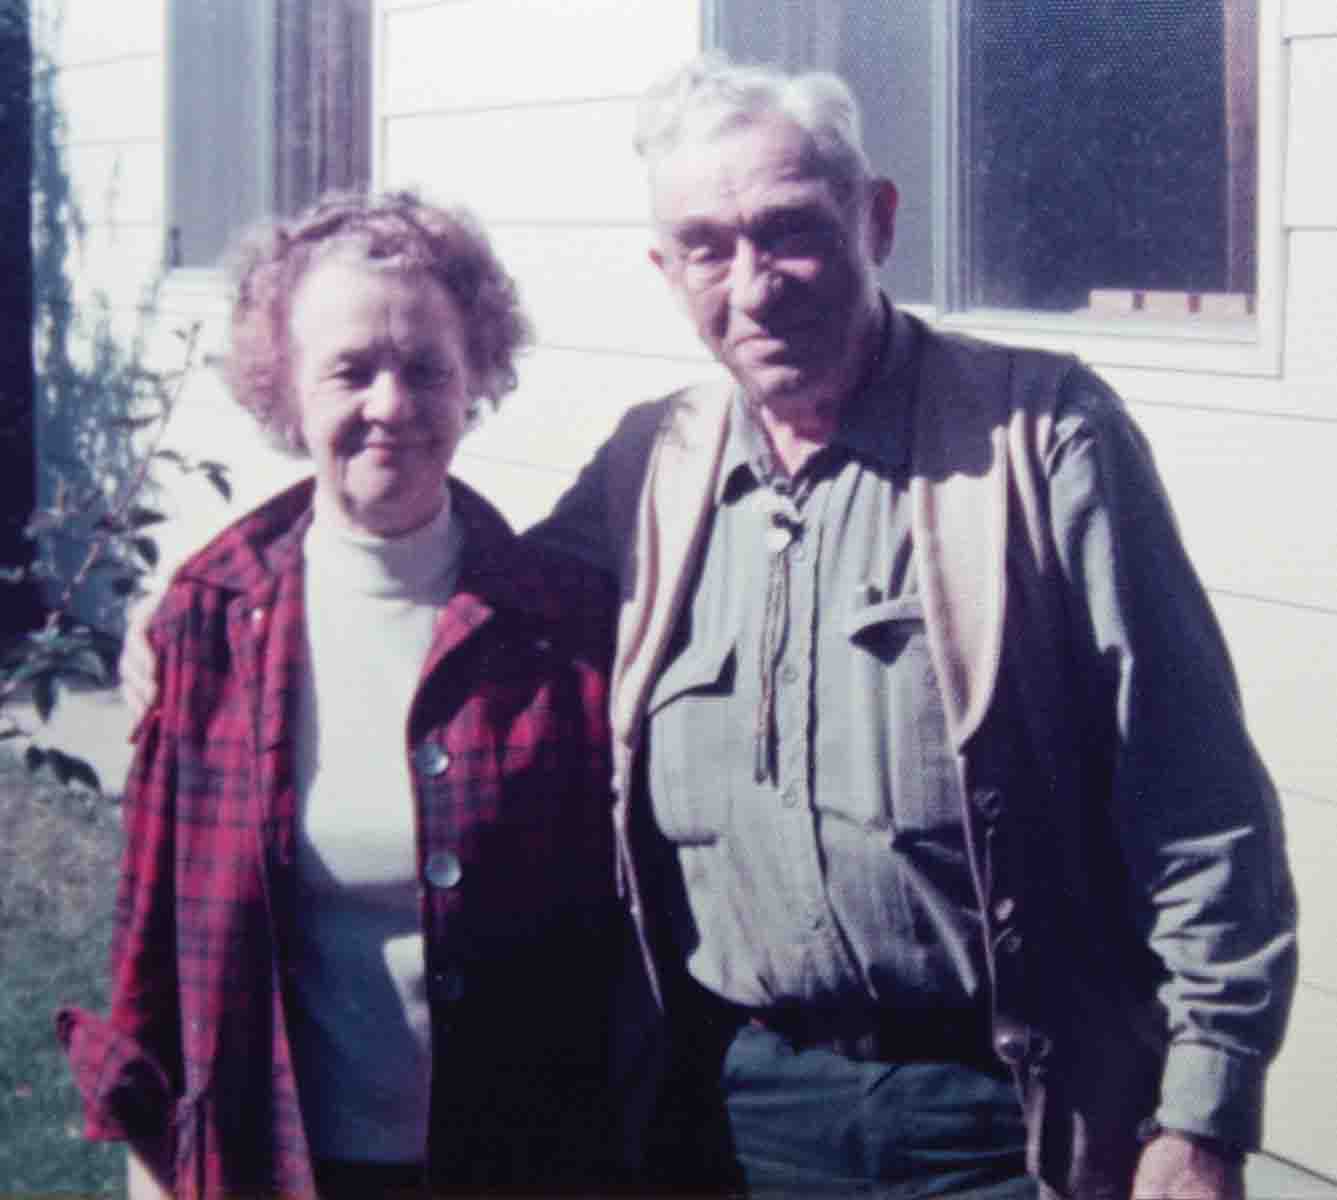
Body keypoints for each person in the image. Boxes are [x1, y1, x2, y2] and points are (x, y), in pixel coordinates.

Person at [120, 56, 1298, 1200]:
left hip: (1000, 1119)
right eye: (705, 248)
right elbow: (441, 566)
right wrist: (197, 617)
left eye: (788, 229)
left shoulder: (1039, 443)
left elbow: (1196, 804)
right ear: (665, 268)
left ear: (874, 219)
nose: (753, 281)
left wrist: (1199, 1120)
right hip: (728, 1121)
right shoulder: (655, 464)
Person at [60, 193, 622, 1198]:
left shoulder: (562, 626)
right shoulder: (208, 620)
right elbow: (157, 955)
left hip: (517, 1169)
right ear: (283, 386)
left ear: (474, 378)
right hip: (277, 1165)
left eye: (426, 368)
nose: (391, 405)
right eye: (350, 370)